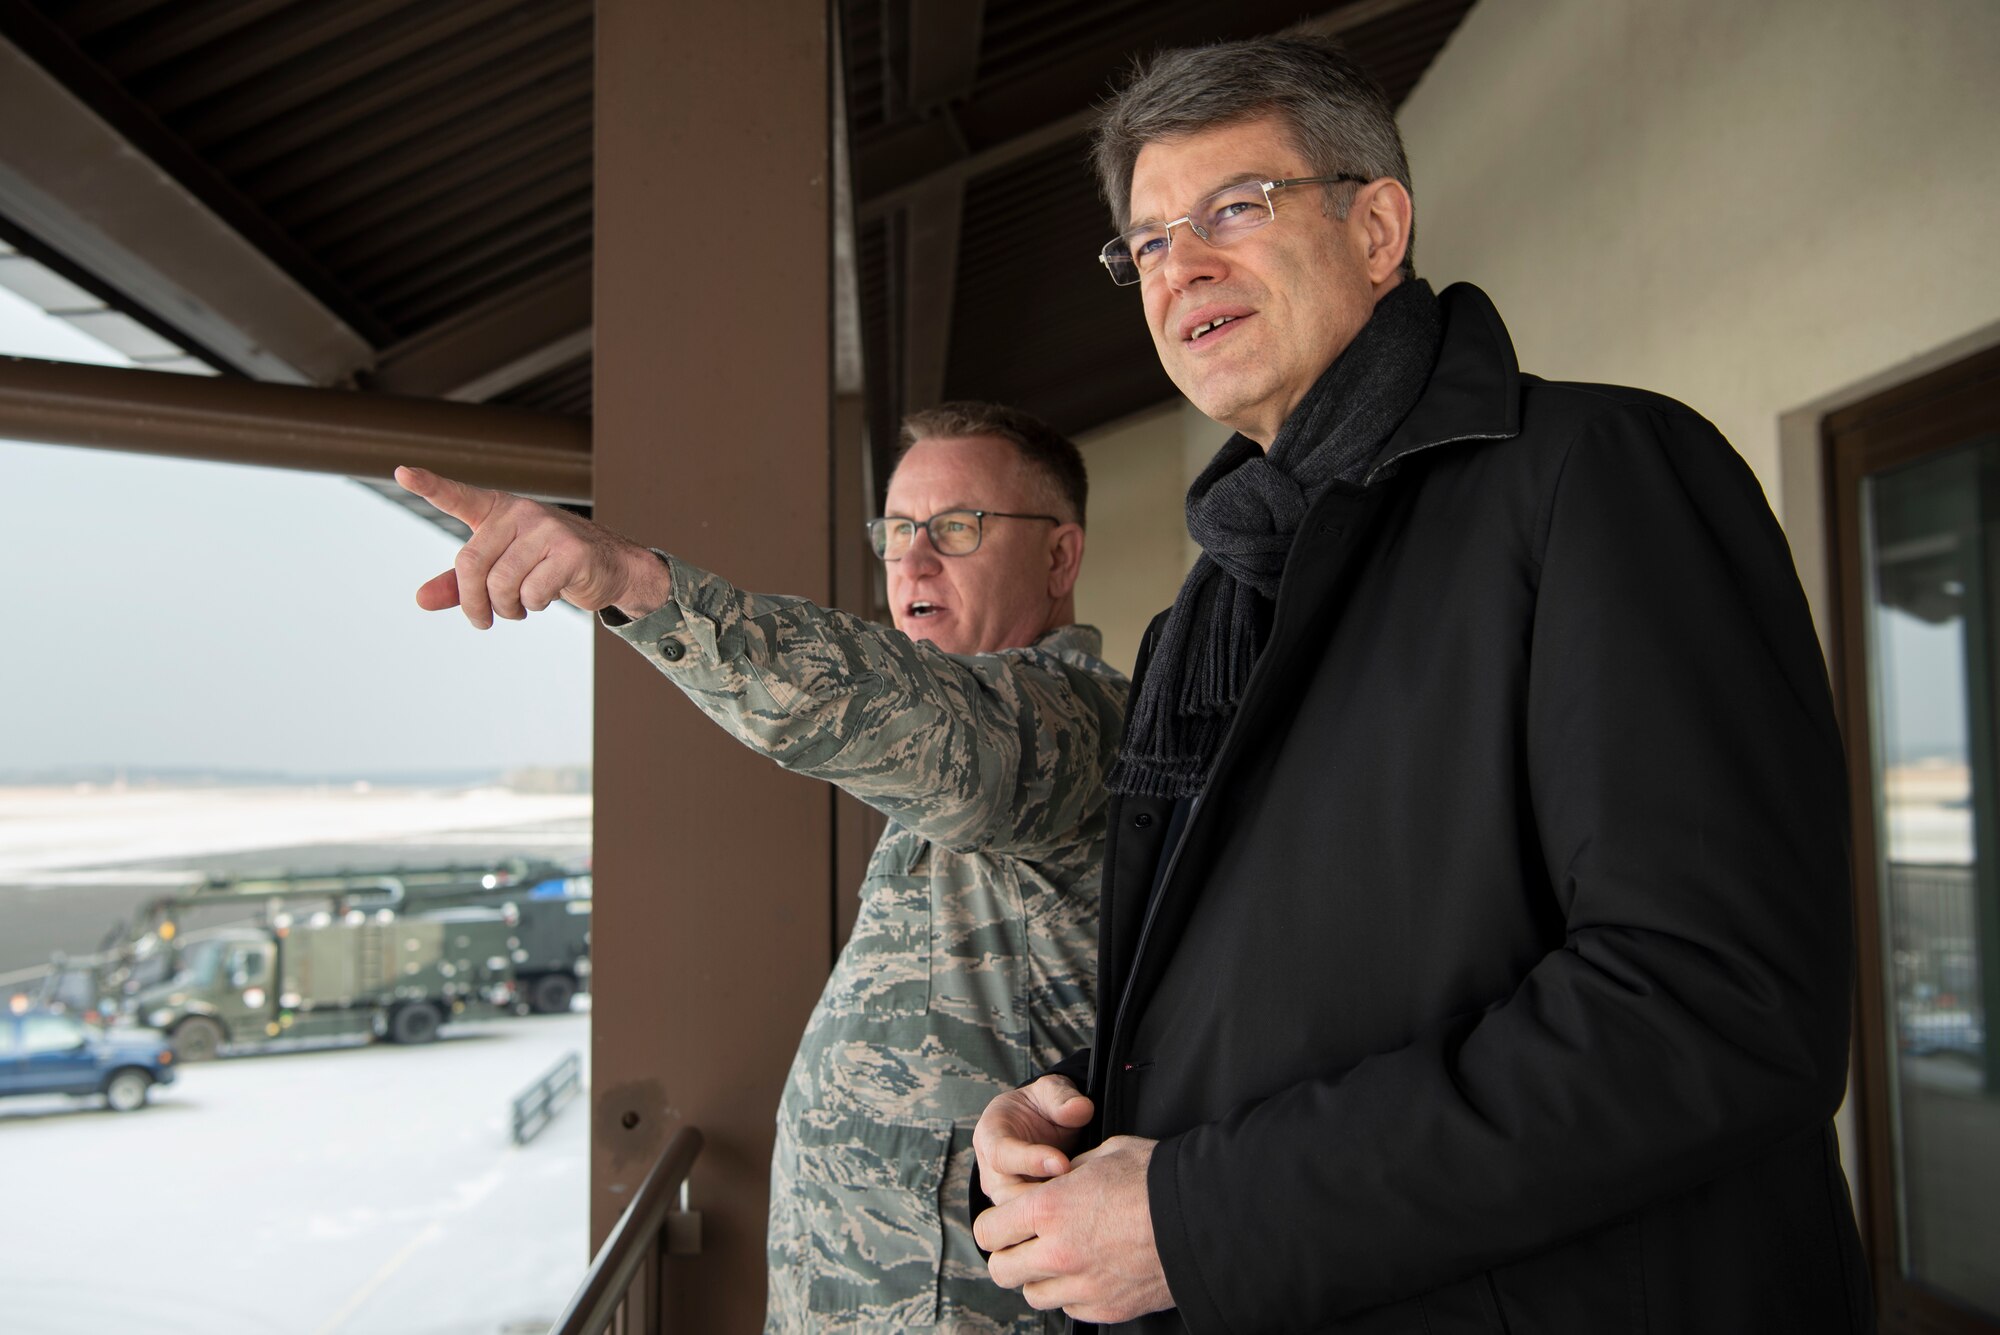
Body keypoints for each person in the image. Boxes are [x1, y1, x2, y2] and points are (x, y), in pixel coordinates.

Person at [969, 35, 1871, 1335]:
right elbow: (1293, 979)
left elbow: (1715, 1003)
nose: (1184, 268)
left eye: (1235, 207)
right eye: (1149, 242)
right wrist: (1074, 1109)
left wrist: (1205, 1216)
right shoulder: (1208, 609)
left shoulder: (1597, 475)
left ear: (1377, 223)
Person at [397, 402, 1128, 1334]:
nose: (912, 560)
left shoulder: (1080, 719)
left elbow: (922, 726)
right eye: (897, 530)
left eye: (957, 526)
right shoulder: (966, 725)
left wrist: (634, 581)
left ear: (1061, 557)